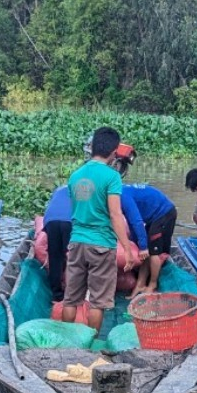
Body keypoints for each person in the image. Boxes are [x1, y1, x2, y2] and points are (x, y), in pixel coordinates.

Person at [62, 127, 134, 334]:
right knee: (97, 302)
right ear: (114, 152)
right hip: (101, 244)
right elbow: (115, 214)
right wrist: (127, 250)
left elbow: (76, 208)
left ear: (92, 148)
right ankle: (91, 344)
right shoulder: (112, 177)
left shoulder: (75, 176)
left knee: (71, 299)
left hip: (76, 242)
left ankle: (68, 341)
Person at [121, 183, 177, 297]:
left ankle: (152, 284)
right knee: (146, 248)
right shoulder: (118, 194)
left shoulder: (122, 196)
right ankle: (140, 284)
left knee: (152, 251)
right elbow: (131, 222)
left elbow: (137, 221)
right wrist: (136, 243)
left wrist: (142, 246)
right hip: (152, 216)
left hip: (164, 212)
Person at [42, 185, 72, 302]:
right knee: (73, 257)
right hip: (70, 220)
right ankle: (72, 295)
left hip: (50, 220)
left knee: (55, 257)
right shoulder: (83, 189)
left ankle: (57, 295)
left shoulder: (58, 190)